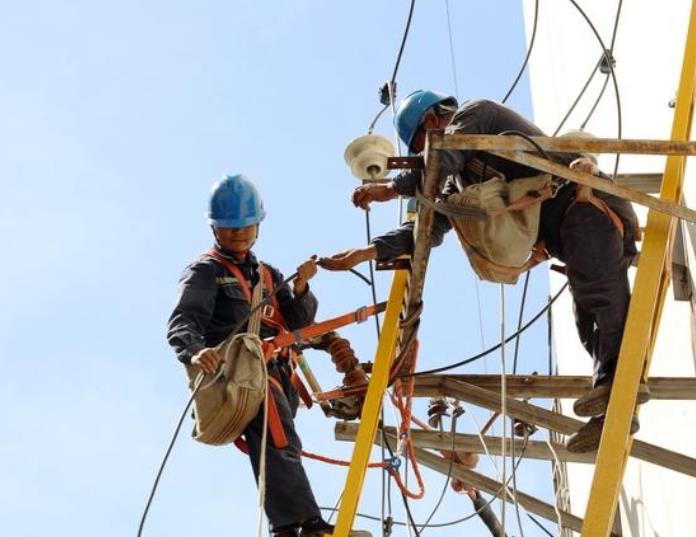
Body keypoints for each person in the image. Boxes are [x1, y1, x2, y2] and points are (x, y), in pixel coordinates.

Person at [319, 90, 648, 453]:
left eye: (420, 146)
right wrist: (368, 252)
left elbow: (445, 152)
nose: (424, 156)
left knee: (599, 296)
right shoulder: (460, 180)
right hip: (572, 231)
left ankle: (621, 387)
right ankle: (612, 413)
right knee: (587, 318)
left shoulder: (480, 114)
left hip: (588, 204)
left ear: (433, 119)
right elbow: (427, 229)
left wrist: (390, 189)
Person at [167, 174, 335, 537]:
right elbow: (184, 320)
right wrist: (195, 352)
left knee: (280, 441)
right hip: (241, 371)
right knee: (278, 438)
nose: (238, 235)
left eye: (245, 228)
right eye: (230, 230)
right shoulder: (206, 270)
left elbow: (299, 322)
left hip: (278, 370)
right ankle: (304, 524)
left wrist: (302, 288)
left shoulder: (269, 275)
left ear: (257, 225)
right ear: (215, 229)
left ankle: (290, 527)